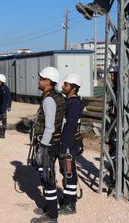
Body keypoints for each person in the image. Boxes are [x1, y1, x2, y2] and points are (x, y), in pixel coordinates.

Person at [30, 67, 66, 223]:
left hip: (48, 143)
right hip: (53, 141)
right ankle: (49, 205)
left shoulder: (49, 99)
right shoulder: (55, 96)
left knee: (47, 177)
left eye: (41, 78)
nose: (39, 81)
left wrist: (43, 147)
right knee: (47, 176)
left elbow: (50, 126)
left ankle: (52, 216)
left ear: (47, 81)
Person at [58, 73, 84, 215]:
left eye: (66, 85)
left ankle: (70, 204)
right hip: (65, 143)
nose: (63, 86)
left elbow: (70, 127)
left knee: (69, 172)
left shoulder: (74, 104)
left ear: (73, 88)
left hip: (68, 144)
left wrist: (65, 146)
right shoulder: (68, 101)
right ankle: (67, 198)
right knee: (65, 172)